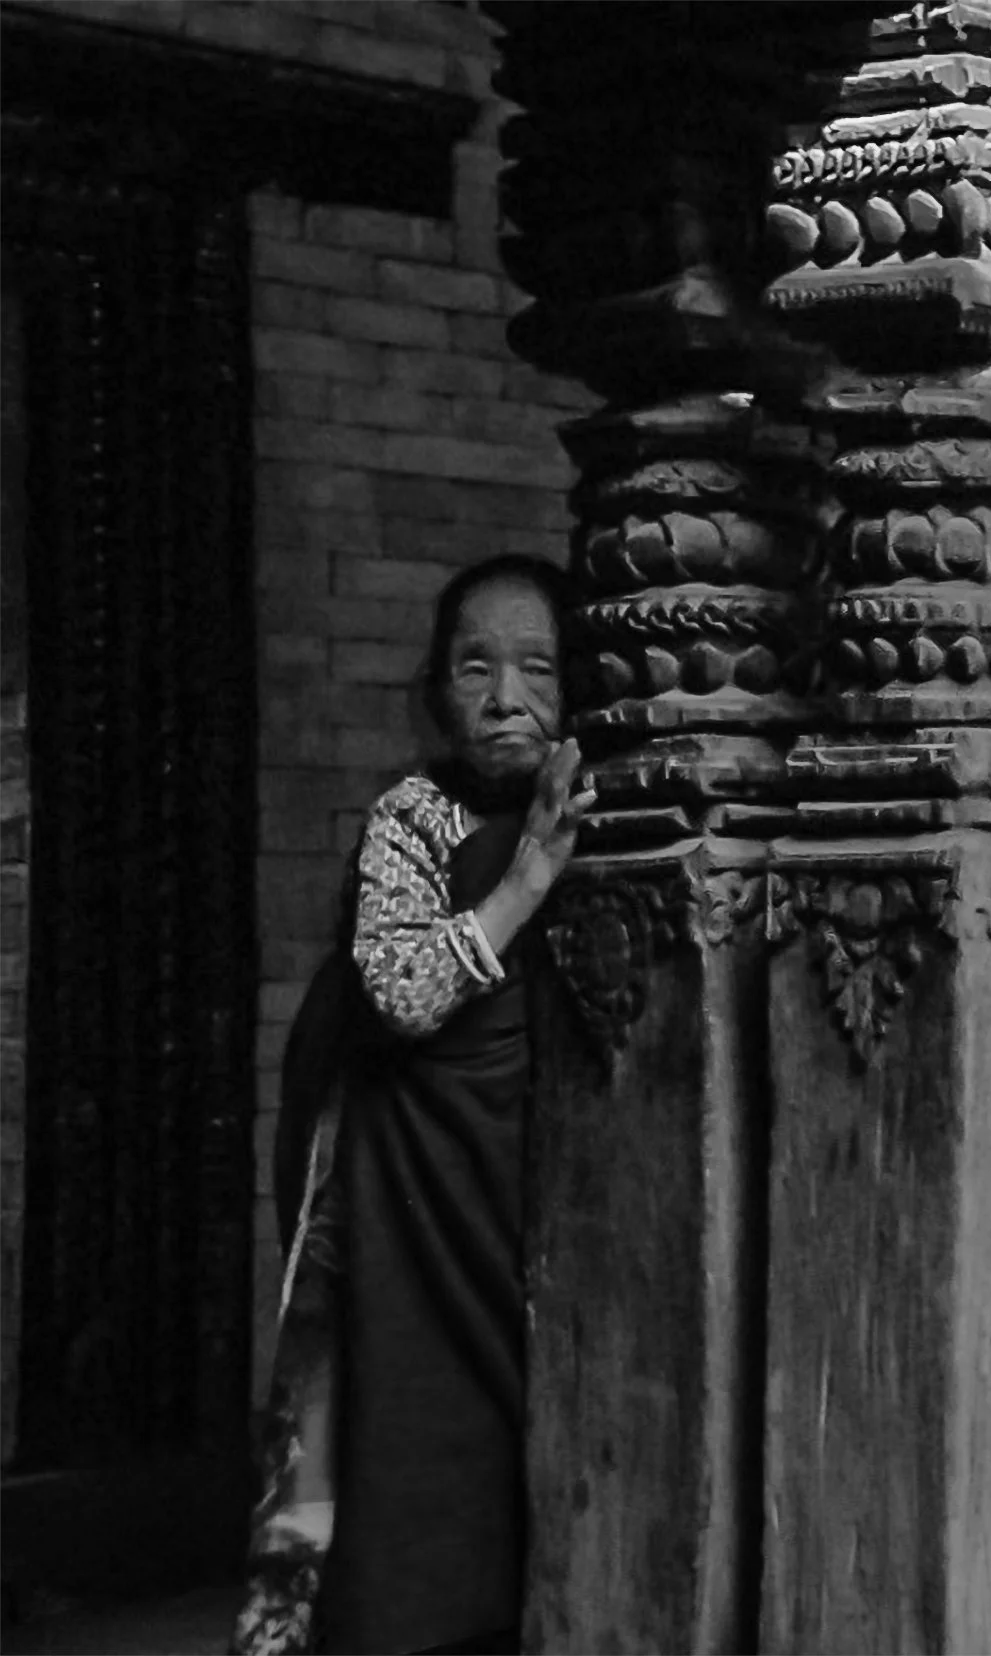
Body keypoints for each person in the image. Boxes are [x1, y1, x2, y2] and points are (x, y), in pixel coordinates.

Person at [233, 555, 595, 1656]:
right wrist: (523, 884)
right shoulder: (415, 818)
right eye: (474, 669)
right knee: (412, 1473)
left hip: (536, 1204)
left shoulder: (600, 810)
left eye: (536, 668)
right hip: (418, 1212)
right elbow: (396, 990)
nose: (504, 699)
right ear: (438, 692)